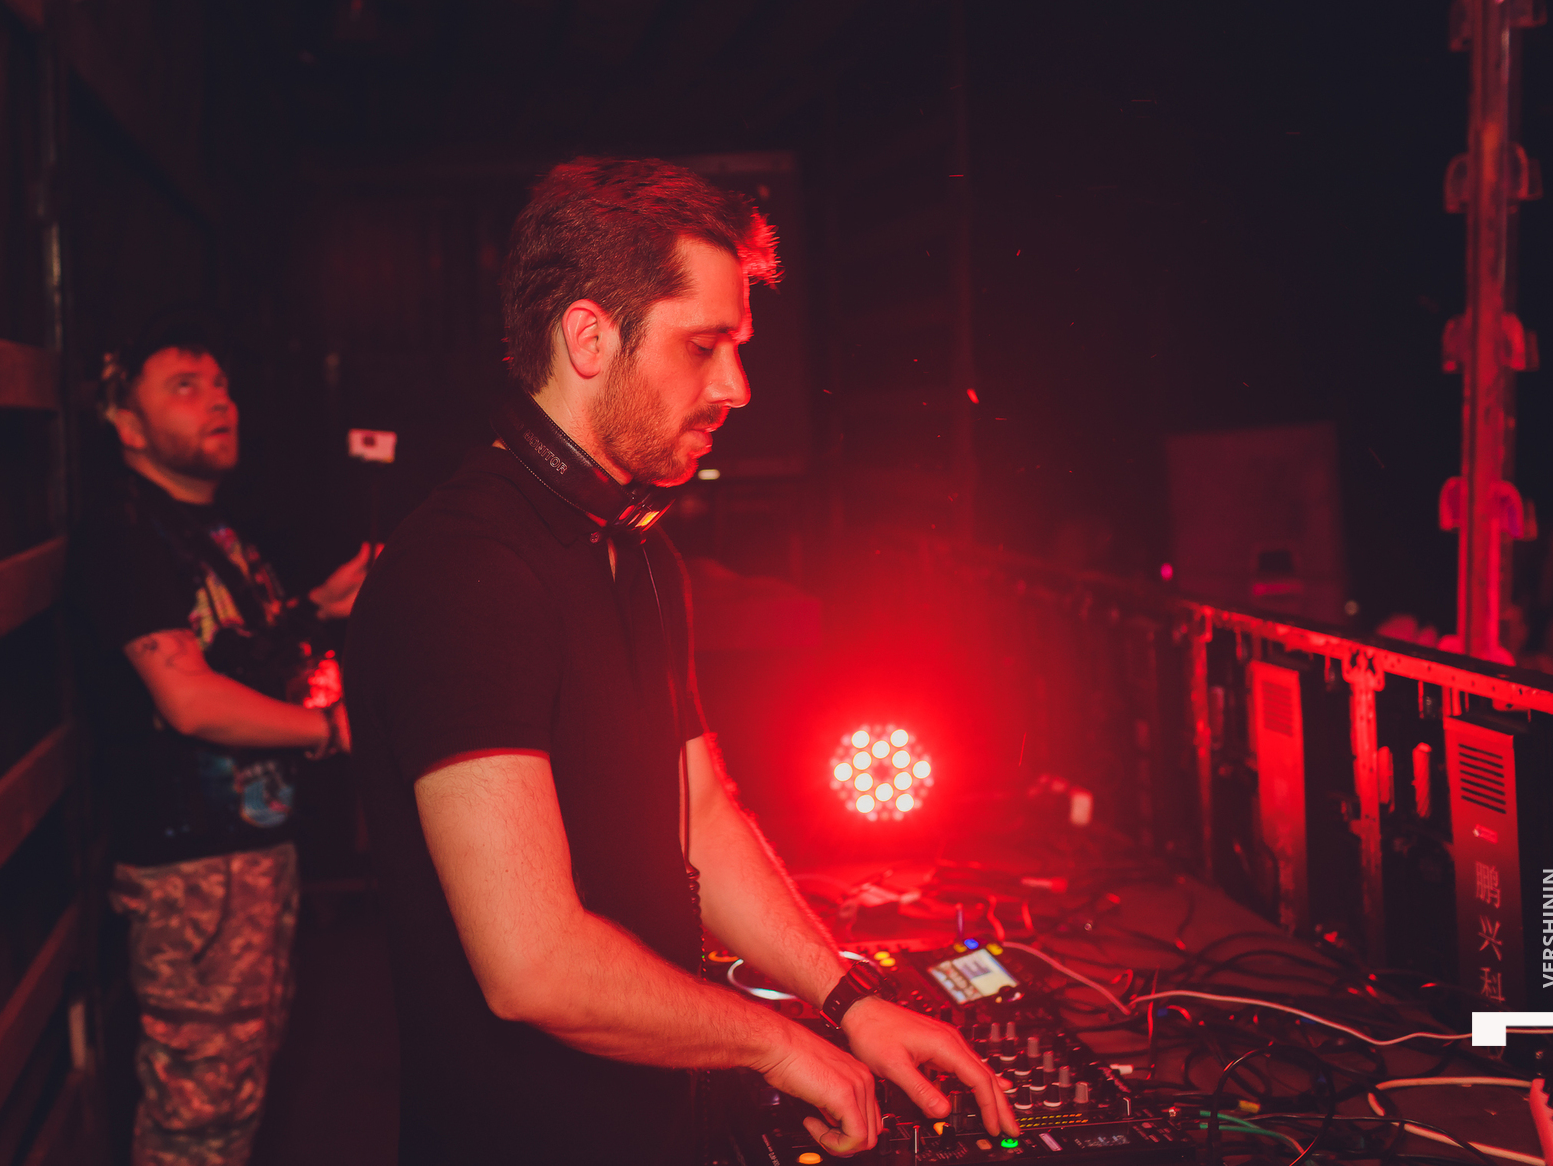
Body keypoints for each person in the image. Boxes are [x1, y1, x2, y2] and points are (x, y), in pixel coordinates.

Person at [346, 157, 1017, 1165]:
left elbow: (699, 812)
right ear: (588, 337)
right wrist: (775, 1042)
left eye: (737, 347)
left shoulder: (641, 552)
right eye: (704, 346)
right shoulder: (467, 573)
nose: (737, 387)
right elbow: (531, 965)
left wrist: (849, 1000)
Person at [69, 318, 373, 1166]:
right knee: (196, 1127)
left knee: (237, 1102)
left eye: (222, 387)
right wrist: (331, 731)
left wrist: (316, 608)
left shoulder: (213, 532)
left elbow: (239, 655)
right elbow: (190, 701)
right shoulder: (125, 533)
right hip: (191, 879)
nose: (219, 402)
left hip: (253, 862)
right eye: (185, 387)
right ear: (127, 425)